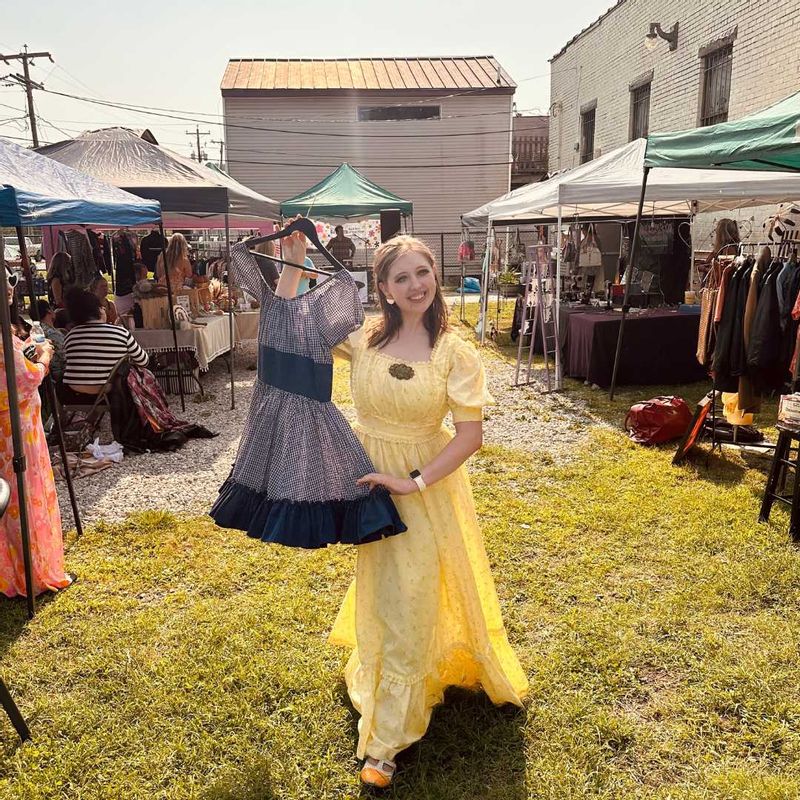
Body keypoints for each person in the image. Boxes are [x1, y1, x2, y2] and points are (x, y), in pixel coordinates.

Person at [277, 229, 528, 788]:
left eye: (423, 273)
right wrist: (292, 263)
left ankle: (388, 737)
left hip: (424, 486)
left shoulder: (453, 353)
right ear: (384, 289)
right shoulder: (363, 339)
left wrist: (412, 482)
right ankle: (385, 677)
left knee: (413, 593)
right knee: (390, 583)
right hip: (367, 483)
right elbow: (290, 327)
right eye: (402, 277)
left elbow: (469, 437)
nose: (416, 285)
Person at [0, 266, 72, 597]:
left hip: (15, 428)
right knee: (21, 499)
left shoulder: (7, 331)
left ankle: (17, 569)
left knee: (13, 502)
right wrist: (43, 356)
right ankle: (31, 572)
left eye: (10, 278)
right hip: (15, 432)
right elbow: (24, 380)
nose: (10, 286)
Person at [59, 287, 148, 405]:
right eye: (102, 307)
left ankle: (88, 420)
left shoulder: (70, 336)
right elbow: (143, 361)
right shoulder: (120, 333)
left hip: (74, 393)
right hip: (110, 393)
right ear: (99, 310)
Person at [36, 299, 66, 382]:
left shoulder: (38, 330)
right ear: (48, 310)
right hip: (60, 375)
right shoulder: (52, 333)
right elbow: (64, 356)